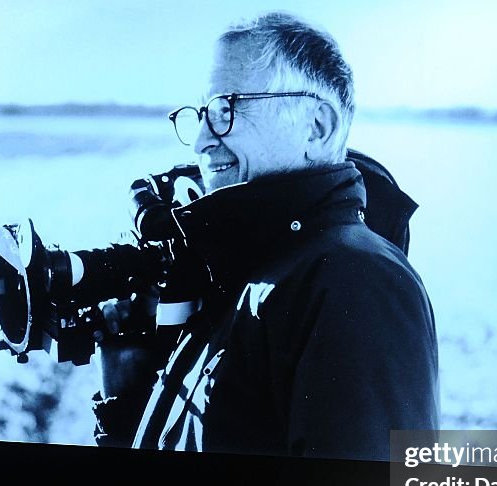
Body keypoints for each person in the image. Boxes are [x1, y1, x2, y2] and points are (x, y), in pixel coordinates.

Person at [91, 12, 439, 461]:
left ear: (317, 126)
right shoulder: (246, 270)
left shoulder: (358, 283)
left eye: (226, 109)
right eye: (202, 114)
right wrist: (128, 403)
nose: (200, 141)